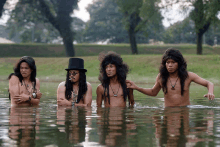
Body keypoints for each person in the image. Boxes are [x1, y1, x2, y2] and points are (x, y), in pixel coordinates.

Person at [127, 48, 215, 107]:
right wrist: (137, 88)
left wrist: (210, 92)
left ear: (179, 63)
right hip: (168, 112)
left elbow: (209, 83)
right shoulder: (161, 77)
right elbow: (153, 92)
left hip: (184, 112)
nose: (170, 65)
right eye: (168, 62)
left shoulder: (188, 76)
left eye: (173, 62)